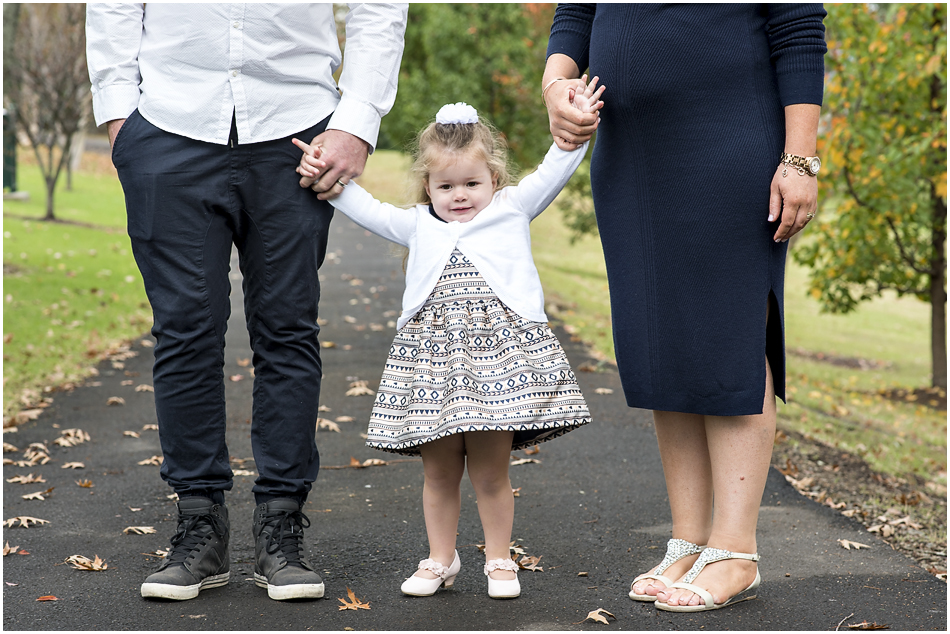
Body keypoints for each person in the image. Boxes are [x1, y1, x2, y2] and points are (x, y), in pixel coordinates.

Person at [85, 3, 407, 602]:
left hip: (298, 126)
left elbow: (377, 7)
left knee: (287, 329)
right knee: (185, 329)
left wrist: (358, 121)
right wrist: (119, 116)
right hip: (168, 123)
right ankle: (198, 525)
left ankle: (281, 525)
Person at [542, 4, 827, 612]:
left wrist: (800, 159)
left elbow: (798, 28)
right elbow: (578, 12)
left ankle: (736, 551)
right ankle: (691, 537)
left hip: (730, 143)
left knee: (726, 333)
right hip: (632, 157)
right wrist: (555, 84)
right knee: (661, 338)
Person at [292, 89, 603, 599]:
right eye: (446, 186)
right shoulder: (417, 224)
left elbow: (556, 166)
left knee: (489, 470)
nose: (460, 195)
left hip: (497, 369)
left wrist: (578, 124)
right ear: (428, 186)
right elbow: (361, 203)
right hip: (432, 369)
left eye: (472, 183)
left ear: (494, 180)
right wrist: (324, 168)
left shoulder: (512, 207)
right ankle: (441, 558)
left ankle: (500, 558)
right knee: (438, 471)